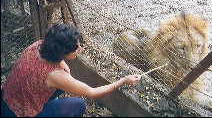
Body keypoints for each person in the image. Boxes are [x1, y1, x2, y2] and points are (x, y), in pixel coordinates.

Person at [1, 23, 141, 117]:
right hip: (17, 113)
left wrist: (62, 63)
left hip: (6, 97)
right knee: (78, 105)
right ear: (63, 52)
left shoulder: (38, 45)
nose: (80, 49)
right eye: (76, 48)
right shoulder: (54, 75)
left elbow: (57, 61)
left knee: (64, 83)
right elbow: (91, 93)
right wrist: (122, 81)